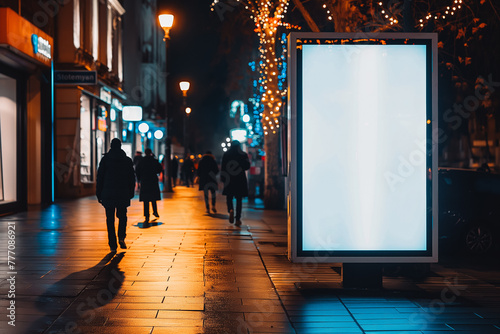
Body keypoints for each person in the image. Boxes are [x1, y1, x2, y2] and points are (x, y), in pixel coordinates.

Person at [96, 138, 135, 251]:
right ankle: (121, 237)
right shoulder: (127, 160)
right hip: (123, 192)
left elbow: (100, 177)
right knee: (122, 216)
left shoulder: (105, 160)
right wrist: (130, 192)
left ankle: (112, 244)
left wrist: (99, 193)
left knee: (110, 219)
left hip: (108, 193)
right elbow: (131, 178)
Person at [221, 140, 250, 226]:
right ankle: (237, 219)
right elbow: (247, 166)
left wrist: (223, 178)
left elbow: (223, 167)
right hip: (240, 179)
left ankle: (230, 209)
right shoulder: (243, 154)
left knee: (229, 197)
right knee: (239, 199)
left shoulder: (226, 154)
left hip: (229, 178)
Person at [136, 148, 163, 224]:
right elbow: (159, 169)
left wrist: (139, 180)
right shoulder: (154, 160)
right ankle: (155, 211)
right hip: (152, 181)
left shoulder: (142, 161)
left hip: (144, 181)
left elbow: (137, 170)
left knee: (146, 200)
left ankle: (146, 216)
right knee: (153, 198)